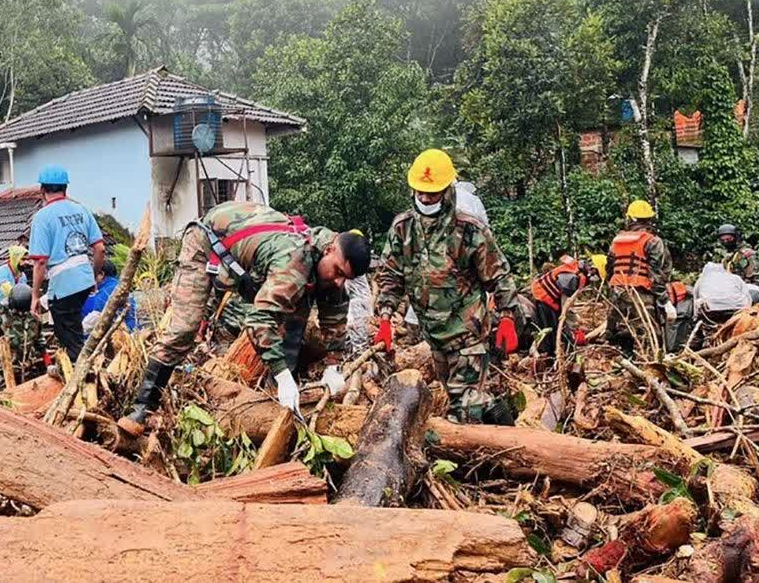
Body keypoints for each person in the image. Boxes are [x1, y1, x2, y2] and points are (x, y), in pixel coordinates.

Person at [117, 201, 371, 437]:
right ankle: (142, 407)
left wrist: (333, 365)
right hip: (208, 240)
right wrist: (283, 376)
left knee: (294, 323)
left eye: (345, 278)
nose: (338, 281)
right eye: (337, 272)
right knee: (186, 327)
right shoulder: (294, 263)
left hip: (251, 242)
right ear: (329, 250)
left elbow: (335, 316)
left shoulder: (330, 267)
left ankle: (280, 403)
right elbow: (259, 320)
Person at [374, 149, 521, 424]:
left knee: (464, 411)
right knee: (462, 398)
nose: (426, 199)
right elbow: (390, 276)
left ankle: (494, 453)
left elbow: (499, 275)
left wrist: (508, 317)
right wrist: (385, 318)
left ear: (448, 190)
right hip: (435, 336)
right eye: (421, 193)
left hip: (467, 333)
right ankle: (501, 420)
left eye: (433, 193)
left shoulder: (469, 230)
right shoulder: (402, 229)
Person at [28, 165, 105, 359]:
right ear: (65, 189)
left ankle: (81, 376)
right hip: (84, 280)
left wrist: (35, 296)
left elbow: (39, 262)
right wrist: (94, 276)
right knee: (75, 329)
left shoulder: (42, 217)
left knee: (69, 341)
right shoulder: (81, 210)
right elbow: (100, 249)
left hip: (63, 286)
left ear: (42, 190)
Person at [605, 200, 673, 357]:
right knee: (650, 336)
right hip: (640, 295)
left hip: (617, 293)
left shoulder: (616, 241)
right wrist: (665, 300)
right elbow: (656, 275)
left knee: (622, 335)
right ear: (649, 219)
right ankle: (649, 369)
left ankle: (623, 367)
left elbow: (610, 269)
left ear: (631, 219)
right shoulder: (653, 241)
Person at [526, 255, 602, 355]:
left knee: (556, 328)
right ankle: (546, 355)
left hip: (548, 298)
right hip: (543, 298)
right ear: (592, 270)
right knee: (550, 332)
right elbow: (566, 306)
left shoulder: (576, 272)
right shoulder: (572, 278)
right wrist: (573, 327)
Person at [81, 260, 138, 333]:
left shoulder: (106, 292)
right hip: (131, 330)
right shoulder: (118, 286)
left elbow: (96, 317)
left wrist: (80, 332)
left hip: (119, 334)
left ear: (101, 274)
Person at [665, 279, 695, 352]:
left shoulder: (666, 289)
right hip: (684, 310)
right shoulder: (685, 287)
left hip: (678, 310)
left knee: (672, 329)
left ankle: (672, 350)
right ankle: (678, 348)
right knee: (681, 330)